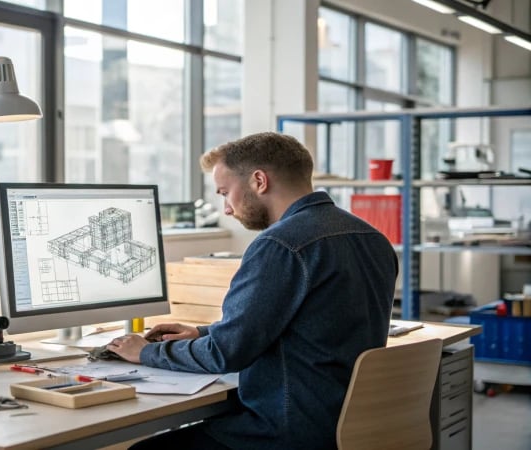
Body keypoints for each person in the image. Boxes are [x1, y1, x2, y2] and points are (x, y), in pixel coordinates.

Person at [107, 132, 399, 449]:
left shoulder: (280, 245)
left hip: (287, 431)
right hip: (348, 426)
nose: (227, 209)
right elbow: (300, 326)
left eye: (225, 192)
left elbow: (226, 353)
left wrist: (144, 352)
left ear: (259, 181)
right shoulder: (371, 237)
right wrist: (202, 332)